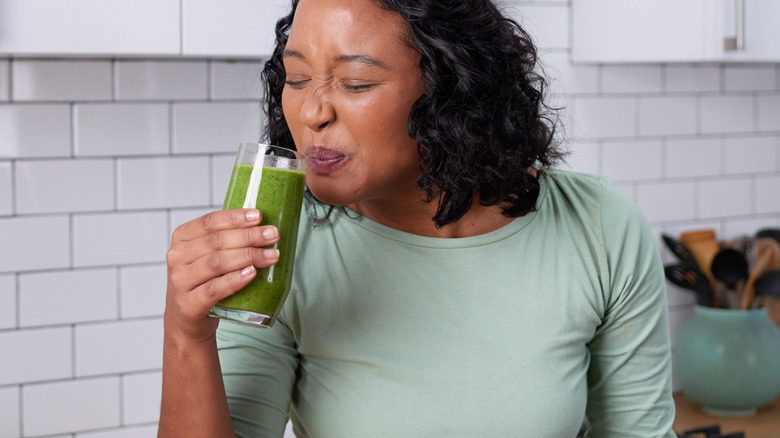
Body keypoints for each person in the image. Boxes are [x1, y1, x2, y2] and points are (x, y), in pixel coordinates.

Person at [158, 0, 677, 436]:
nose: (312, 113)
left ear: (453, 89)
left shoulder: (597, 227)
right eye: (296, 78)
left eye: (356, 83)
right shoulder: (282, 241)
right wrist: (187, 335)